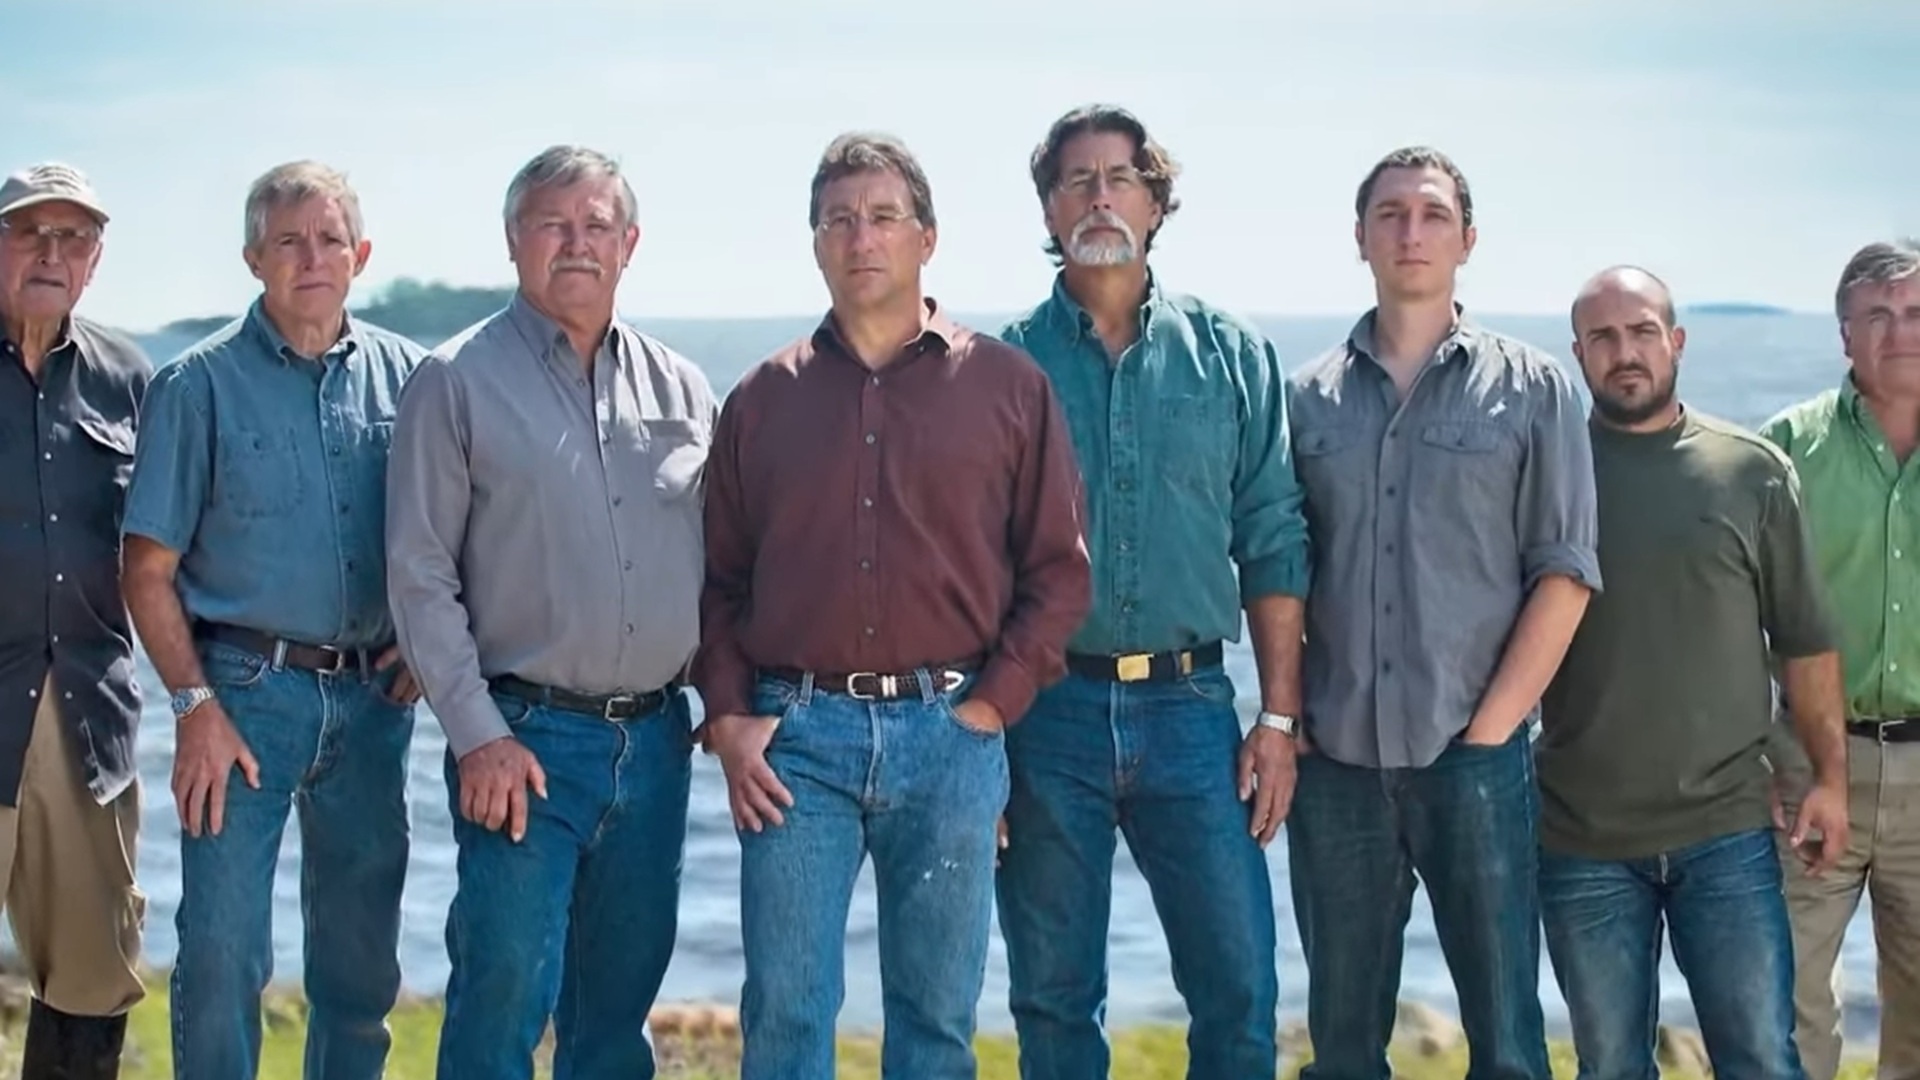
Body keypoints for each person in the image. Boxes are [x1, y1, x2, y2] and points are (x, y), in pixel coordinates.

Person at [695, 131, 1091, 1080]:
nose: (860, 237)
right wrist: (730, 719)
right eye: (838, 220)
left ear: (927, 238)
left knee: (936, 1023)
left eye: (882, 217)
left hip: (950, 735)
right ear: (816, 243)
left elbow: (1057, 573)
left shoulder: (1008, 387)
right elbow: (718, 581)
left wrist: (989, 710)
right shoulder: (760, 399)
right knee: (786, 1016)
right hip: (796, 744)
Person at [386, 144, 716, 1080]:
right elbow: (419, 575)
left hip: (655, 747)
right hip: (521, 746)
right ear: (512, 240)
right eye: (551, 224)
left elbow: (721, 564)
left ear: (629, 243)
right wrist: (477, 738)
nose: (577, 243)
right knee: (500, 1010)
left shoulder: (684, 387)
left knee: (614, 1024)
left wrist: (726, 705)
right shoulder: (454, 380)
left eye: (596, 224)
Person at [992, 104, 1308, 1080]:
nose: (1099, 198)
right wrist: (979, 739)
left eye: (1120, 178)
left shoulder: (1231, 355)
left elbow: (1273, 539)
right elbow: (974, 565)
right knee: (1053, 1001)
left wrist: (1279, 718)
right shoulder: (1003, 366)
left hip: (1193, 711)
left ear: (1156, 203)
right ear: (1049, 210)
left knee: (1239, 990)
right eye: (1077, 181)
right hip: (1047, 718)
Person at [1285, 145, 1600, 1080]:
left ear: (1467, 240)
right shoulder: (1303, 400)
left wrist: (1490, 732)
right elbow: (1279, 569)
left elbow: (1566, 572)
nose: (1410, 232)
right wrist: (1291, 719)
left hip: (1477, 762)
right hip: (1337, 765)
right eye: (1389, 215)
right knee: (1342, 1049)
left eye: (1431, 215)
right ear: (1360, 238)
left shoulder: (1534, 388)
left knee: (1508, 1045)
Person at [121, 161, 426, 1080]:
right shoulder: (196, 385)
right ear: (253, 257)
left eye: (330, 239)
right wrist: (192, 709)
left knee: (360, 964)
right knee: (221, 954)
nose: (312, 258)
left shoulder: (412, 379)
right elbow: (146, 571)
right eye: (289, 240)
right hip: (240, 700)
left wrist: (426, 642)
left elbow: (457, 533)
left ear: (361, 255)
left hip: (373, 705)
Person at [1539, 265, 1849, 1080]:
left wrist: (1828, 780)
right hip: (1581, 837)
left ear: (1676, 342)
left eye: (1643, 332)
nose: (1625, 352)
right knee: (1609, 1066)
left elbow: (1805, 641)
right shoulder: (1546, 473)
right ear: (1578, 354)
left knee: (1761, 1059)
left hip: (1727, 832)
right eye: (1603, 337)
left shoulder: (1751, 470)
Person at [0, 162, 150, 1080]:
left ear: (95, 261)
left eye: (73, 238)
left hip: (85, 718)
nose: (51, 254)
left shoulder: (130, 378)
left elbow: (172, 551)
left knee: (92, 983)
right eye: (29, 232)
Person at [1763, 238, 1920, 1080]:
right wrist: (1762, 753)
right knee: (1787, 1010)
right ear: (1844, 335)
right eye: (1878, 315)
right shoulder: (1787, 448)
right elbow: (1734, 615)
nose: (1901, 331)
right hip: (1810, 766)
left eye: (1917, 313)